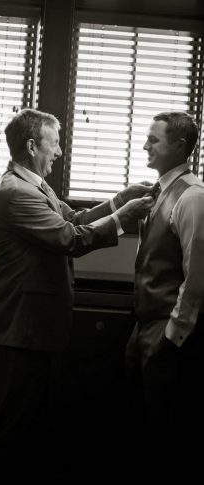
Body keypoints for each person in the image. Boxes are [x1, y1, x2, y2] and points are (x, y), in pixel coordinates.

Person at [0, 108, 154, 482]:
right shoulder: (16, 193)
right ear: (31, 145)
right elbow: (69, 239)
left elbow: (70, 219)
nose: (59, 152)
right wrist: (123, 218)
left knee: (26, 427)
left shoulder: (34, 185)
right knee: (9, 431)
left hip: (34, 328)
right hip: (19, 329)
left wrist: (118, 200)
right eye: (54, 143)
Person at [125, 111, 204, 479]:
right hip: (143, 326)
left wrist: (174, 334)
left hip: (165, 332)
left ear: (181, 147)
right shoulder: (157, 192)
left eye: (154, 140)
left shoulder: (193, 198)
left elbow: (198, 274)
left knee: (165, 434)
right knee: (140, 426)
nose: (145, 145)